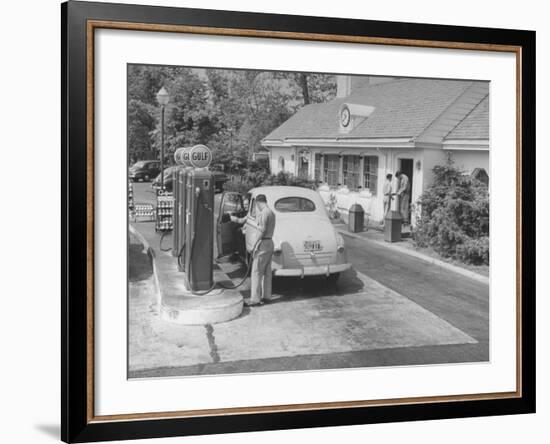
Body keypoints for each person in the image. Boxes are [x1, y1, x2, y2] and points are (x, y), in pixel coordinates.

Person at [231, 194, 275, 307]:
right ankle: (267, 296)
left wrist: (255, 244)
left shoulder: (264, 212)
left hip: (263, 243)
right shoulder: (271, 212)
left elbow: (262, 230)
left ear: (258, 203)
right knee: (267, 272)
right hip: (270, 243)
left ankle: (255, 300)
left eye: (256, 204)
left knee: (256, 272)